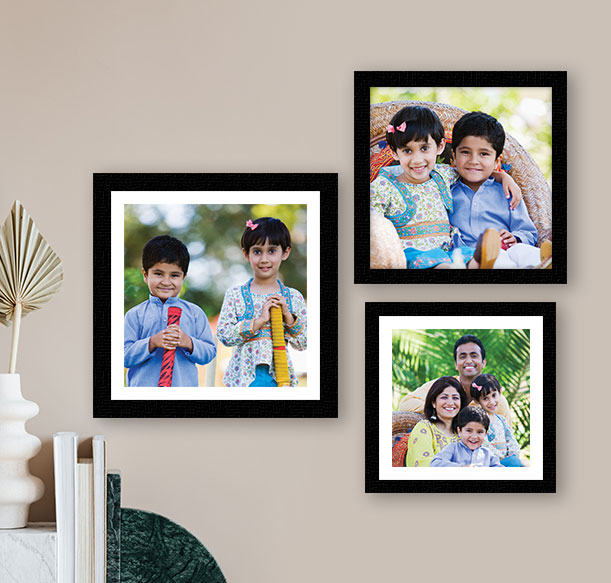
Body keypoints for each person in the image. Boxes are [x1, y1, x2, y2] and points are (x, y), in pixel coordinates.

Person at [370, 105, 521, 269]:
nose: (417, 160)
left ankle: (477, 262)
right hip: (411, 255)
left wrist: (503, 177)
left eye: (424, 148)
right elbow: (373, 222)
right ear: (394, 152)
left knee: (465, 254)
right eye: (407, 151)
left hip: (446, 252)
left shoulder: (442, 175)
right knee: (439, 263)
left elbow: (472, 171)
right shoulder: (384, 186)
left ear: (440, 147)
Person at [449, 111, 549, 268]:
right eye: (465, 152)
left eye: (483, 154)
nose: (474, 161)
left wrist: (515, 238)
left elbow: (528, 232)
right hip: (471, 257)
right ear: (454, 156)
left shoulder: (508, 192)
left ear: (497, 161)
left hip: (508, 248)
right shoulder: (447, 190)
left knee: (522, 251)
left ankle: (543, 262)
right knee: (499, 258)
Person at [217, 217, 307, 387]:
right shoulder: (235, 295)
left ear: (285, 253)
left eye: (272, 251)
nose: (264, 259)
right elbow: (225, 336)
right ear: (246, 254)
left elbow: (303, 343)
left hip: (281, 379)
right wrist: (259, 321)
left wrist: (288, 316)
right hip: (242, 380)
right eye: (257, 251)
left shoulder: (293, 297)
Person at [124, 235, 217, 387]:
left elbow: (209, 353)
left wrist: (188, 342)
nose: (166, 282)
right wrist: (152, 342)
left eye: (174, 275)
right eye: (158, 274)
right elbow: (123, 356)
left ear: (183, 277)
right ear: (145, 275)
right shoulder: (134, 315)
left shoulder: (195, 313)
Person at [398, 334, 512, 421]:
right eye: (462, 356)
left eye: (474, 356)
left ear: (483, 362)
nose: (468, 361)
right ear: (456, 364)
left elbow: (508, 440)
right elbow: (405, 404)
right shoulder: (443, 386)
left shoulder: (496, 401)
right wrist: (446, 409)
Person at [406, 377, 469, 467]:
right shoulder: (424, 428)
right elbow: (423, 463)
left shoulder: (464, 433)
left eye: (455, 398)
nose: (450, 403)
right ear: (433, 403)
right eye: (444, 397)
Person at [470, 374, 523, 466]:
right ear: (477, 401)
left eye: (494, 395)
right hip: (491, 462)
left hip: (508, 460)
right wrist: (501, 458)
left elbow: (510, 437)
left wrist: (513, 454)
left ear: (500, 393)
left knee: (516, 463)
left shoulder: (501, 419)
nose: (492, 402)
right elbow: (483, 442)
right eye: (485, 398)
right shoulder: (479, 421)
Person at [431, 406, 503, 467]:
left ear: (485, 434)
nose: (474, 436)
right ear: (459, 431)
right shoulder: (453, 449)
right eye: (469, 431)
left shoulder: (489, 454)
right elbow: (435, 463)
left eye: (480, 432)